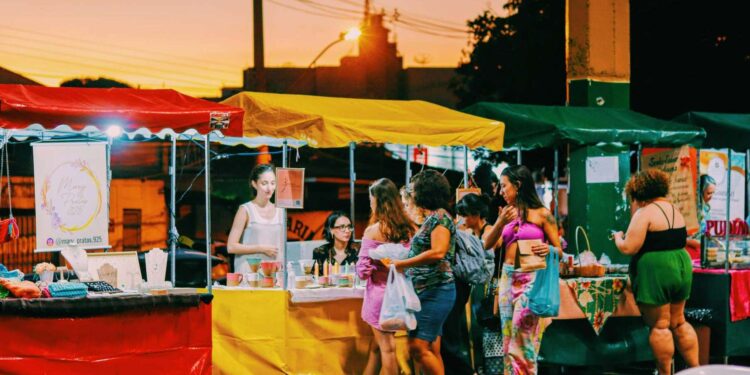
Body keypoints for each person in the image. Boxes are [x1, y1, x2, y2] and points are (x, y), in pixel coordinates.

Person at [613, 169, 699, 374]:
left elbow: (628, 248)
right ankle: (697, 369)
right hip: (681, 263)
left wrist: (618, 237)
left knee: (660, 325)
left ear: (638, 191)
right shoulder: (674, 209)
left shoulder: (645, 212)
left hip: (657, 268)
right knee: (679, 322)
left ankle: (665, 373)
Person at [385, 170, 457, 375]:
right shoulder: (433, 217)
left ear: (425, 191)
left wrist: (403, 263)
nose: (412, 191)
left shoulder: (440, 219)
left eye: (415, 188)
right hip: (429, 289)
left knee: (417, 347)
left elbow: (438, 252)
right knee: (432, 348)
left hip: (437, 289)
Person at [495, 165, 561, 375]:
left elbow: (559, 250)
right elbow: (487, 244)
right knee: (507, 339)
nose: (500, 191)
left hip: (530, 279)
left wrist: (549, 248)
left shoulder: (542, 214)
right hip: (507, 277)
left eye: (504, 186)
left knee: (522, 338)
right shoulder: (506, 214)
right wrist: (500, 222)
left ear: (518, 185)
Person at [357, 178, 416, 375]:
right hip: (402, 295)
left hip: (380, 297)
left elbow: (363, 272)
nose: (370, 203)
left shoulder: (373, 231)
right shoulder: (409, 229)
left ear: (378, 201)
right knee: (377, 347)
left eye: (371, 199)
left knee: (387, 349)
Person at [227, 163, 283, 273]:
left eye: (273, 183)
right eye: (264, 183)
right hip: (249, 272)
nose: (269, 188)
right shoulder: (245, 210)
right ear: (254, 184)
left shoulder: (281, 211)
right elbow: (231, 247)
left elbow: (281, 247)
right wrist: (261, 248)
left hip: (273, 274)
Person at [312, 211, 359, 276]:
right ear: (331, 230)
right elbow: (315, 278)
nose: (347, 231)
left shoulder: (359, 249)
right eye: (342, 227)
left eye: (349, 227)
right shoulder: (321, 251)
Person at [686, 174, 716, 259]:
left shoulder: (706, 208)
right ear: (701, 191)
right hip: (690, 252)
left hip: (701, 250)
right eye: (709, 193)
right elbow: (685, 238)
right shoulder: (692, 209)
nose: (711, 197)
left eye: (713, 193)